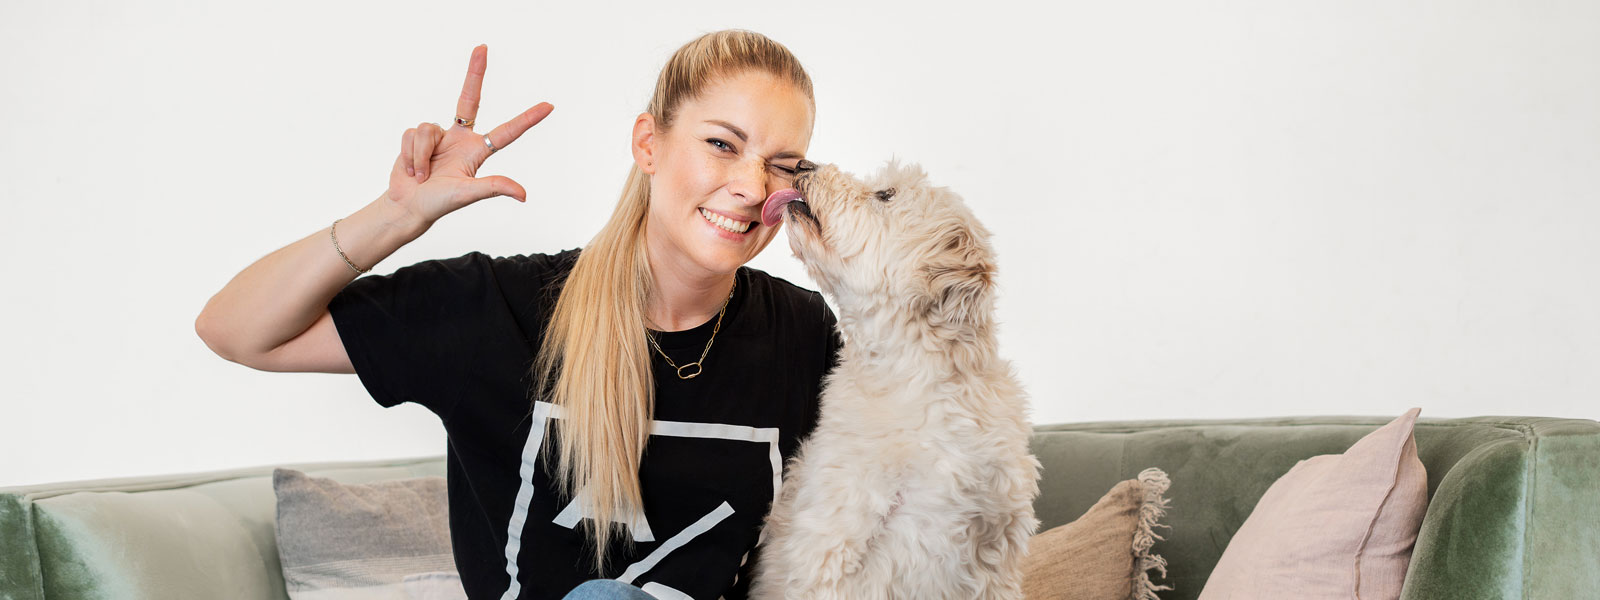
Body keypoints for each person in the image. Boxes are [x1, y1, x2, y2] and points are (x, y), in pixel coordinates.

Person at [196, 30, 840, 600]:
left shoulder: (802, 334)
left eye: (782, 167)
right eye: (722, 145)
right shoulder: (497, 309)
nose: (754, 189)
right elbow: (236, 330)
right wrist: (395, 217)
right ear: (649, 144)